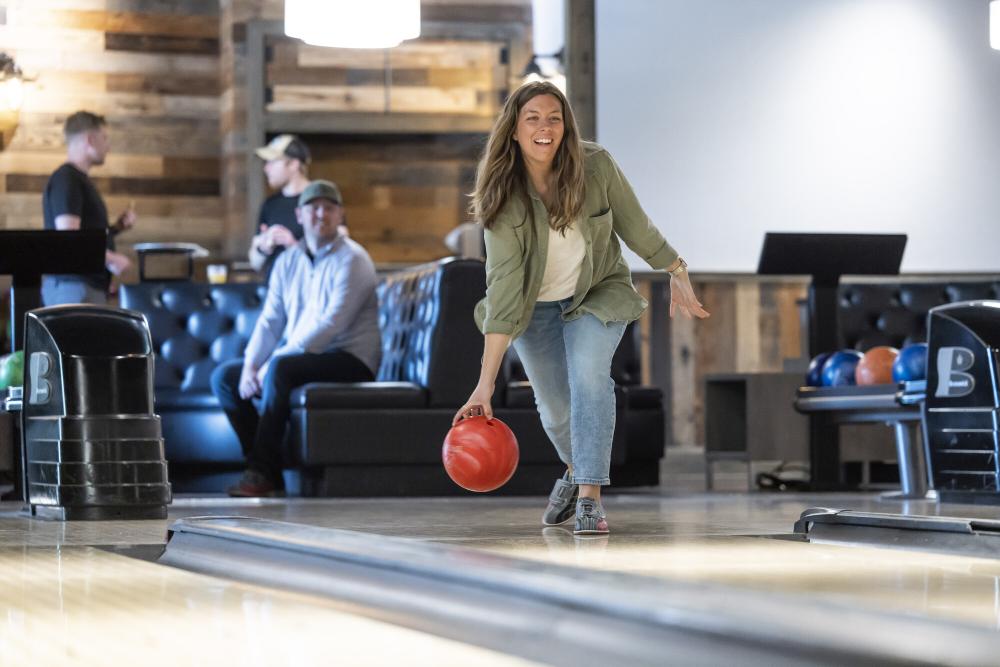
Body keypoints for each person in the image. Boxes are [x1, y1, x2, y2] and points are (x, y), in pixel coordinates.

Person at [453, 81, 709, 536]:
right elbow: (506, 292)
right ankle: (574, 469)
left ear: (566, 125)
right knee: (554, 408)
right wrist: (484, 386)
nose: (545, 127)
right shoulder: (502, 195)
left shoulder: (595, 165)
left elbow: (635, 224)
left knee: (591, 378)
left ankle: (589, 496)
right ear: (514, 129)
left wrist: (676, 267)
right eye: (532, 118)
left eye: (554, 117)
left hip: (597, 292)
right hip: (533, 307)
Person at [211, 180, 381, 497]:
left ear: (340, 215)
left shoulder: (354, 259)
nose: (321, 214)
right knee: (226, 378)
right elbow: (271, 319)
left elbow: (330, 325)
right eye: (313, 207)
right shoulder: (288, 261)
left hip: (350, 358)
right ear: (299, 215)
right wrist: (250, 366)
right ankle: (265, 469)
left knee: (282, 369)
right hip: (300, 358)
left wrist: (271, 363)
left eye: (329, 208)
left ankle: (260, 472)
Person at [42, 111, 136, 306]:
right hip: (73, 287)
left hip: (82, 287)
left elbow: (84, 235)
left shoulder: (77, 180)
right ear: (90, 140)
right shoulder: (67, 179)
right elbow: (69, 239)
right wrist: (112, 260)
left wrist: (117, 228)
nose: (108, 146)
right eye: (104, 138)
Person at [249, 134, 312, 281]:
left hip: (310, 292)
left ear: (293, 164)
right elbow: (254, 262)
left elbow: (338, 253)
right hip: (275, 292)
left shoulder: (319, 201)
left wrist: (293, 245)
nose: (266, 168)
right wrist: (264, 248)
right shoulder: (270, 204)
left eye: (272, 162)